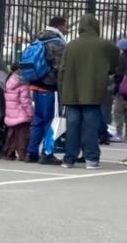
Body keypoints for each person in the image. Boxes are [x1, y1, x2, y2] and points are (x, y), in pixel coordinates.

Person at [59, 14, 120, 169]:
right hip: (93, 91)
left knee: (72, 126)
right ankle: (91, 159)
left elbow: (62, 69)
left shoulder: (71, 45)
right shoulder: (105, 45)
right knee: (90, 127)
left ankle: (69, 159)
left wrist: (62, 91)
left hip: (71, 92)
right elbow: (115, 65)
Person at [26, 16, 68, 165]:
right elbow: (61, 68)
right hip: (50, 88)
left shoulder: (38, 39)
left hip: (35, 85)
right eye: (65, 25)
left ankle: (31, 153)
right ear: (60, 26)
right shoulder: (58, 43)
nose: (67, 29)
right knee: (51, 121)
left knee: (38, 120)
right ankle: (47, 153)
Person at [3, 64, 33, 160]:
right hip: (21, 115)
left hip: (11, 114)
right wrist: (30, 114)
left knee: (11, 136)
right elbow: (25, 101)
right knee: (23, 137)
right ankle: (22, 154)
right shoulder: (22, 83)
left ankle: (9, 153)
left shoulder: (9, 81)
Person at [111, 39, 127, 142]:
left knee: (118, 112)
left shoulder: (122, 58)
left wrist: (116, 87)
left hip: (122, 89)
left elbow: (119, 74)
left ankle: (119, 133)